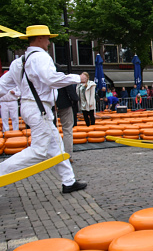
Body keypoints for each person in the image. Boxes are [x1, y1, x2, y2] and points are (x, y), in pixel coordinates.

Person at [0, 25, 87, 193]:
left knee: (56, 146)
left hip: (30, 106)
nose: (48, 41)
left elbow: (2, 85)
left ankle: (68, 181)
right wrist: (78, 78)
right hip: (39, 108)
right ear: (39, 38)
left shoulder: (19, 61)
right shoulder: (41, 57)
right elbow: (51, 79)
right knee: (39, 151)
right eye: (47, 38)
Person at [56, 84, 78, 163]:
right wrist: (74, 101)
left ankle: (50, 156)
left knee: (49, 131)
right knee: (67, 130)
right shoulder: (62, 76)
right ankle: (68, 156)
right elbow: (71, 93)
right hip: (64, 103)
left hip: (49, 104)